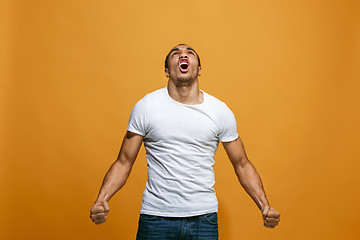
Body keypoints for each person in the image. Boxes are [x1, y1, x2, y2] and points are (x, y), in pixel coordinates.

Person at [90, 44, 280, 239]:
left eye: (190, 53)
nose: (183, 55)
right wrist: (101, 200)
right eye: (176, 53)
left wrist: (265, 206)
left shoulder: (219, 111)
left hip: (203, 219)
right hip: (156, 217)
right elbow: (123, 162)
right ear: (166, 71)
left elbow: (242, 164)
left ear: (199, 70)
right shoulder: (146, 107)